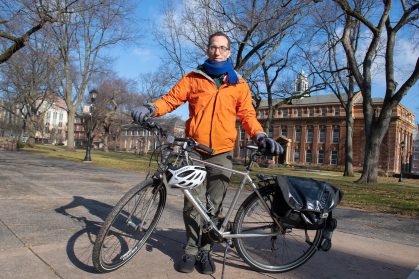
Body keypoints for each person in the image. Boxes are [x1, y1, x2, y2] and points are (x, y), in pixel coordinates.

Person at [131, 31, 283, 275]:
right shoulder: (193, 78)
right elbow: (171, 100)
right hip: (194, 151)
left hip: (222, 152)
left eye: (222, 47)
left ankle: (206, 250)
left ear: (229, 52)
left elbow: (247, 117)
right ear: (207, 50)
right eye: (213, 47)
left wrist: (260, 136)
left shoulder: (239, 84)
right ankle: (191, 250)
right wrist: (150, 108)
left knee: (214, 207)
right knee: (192, 204)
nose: (217, 51)